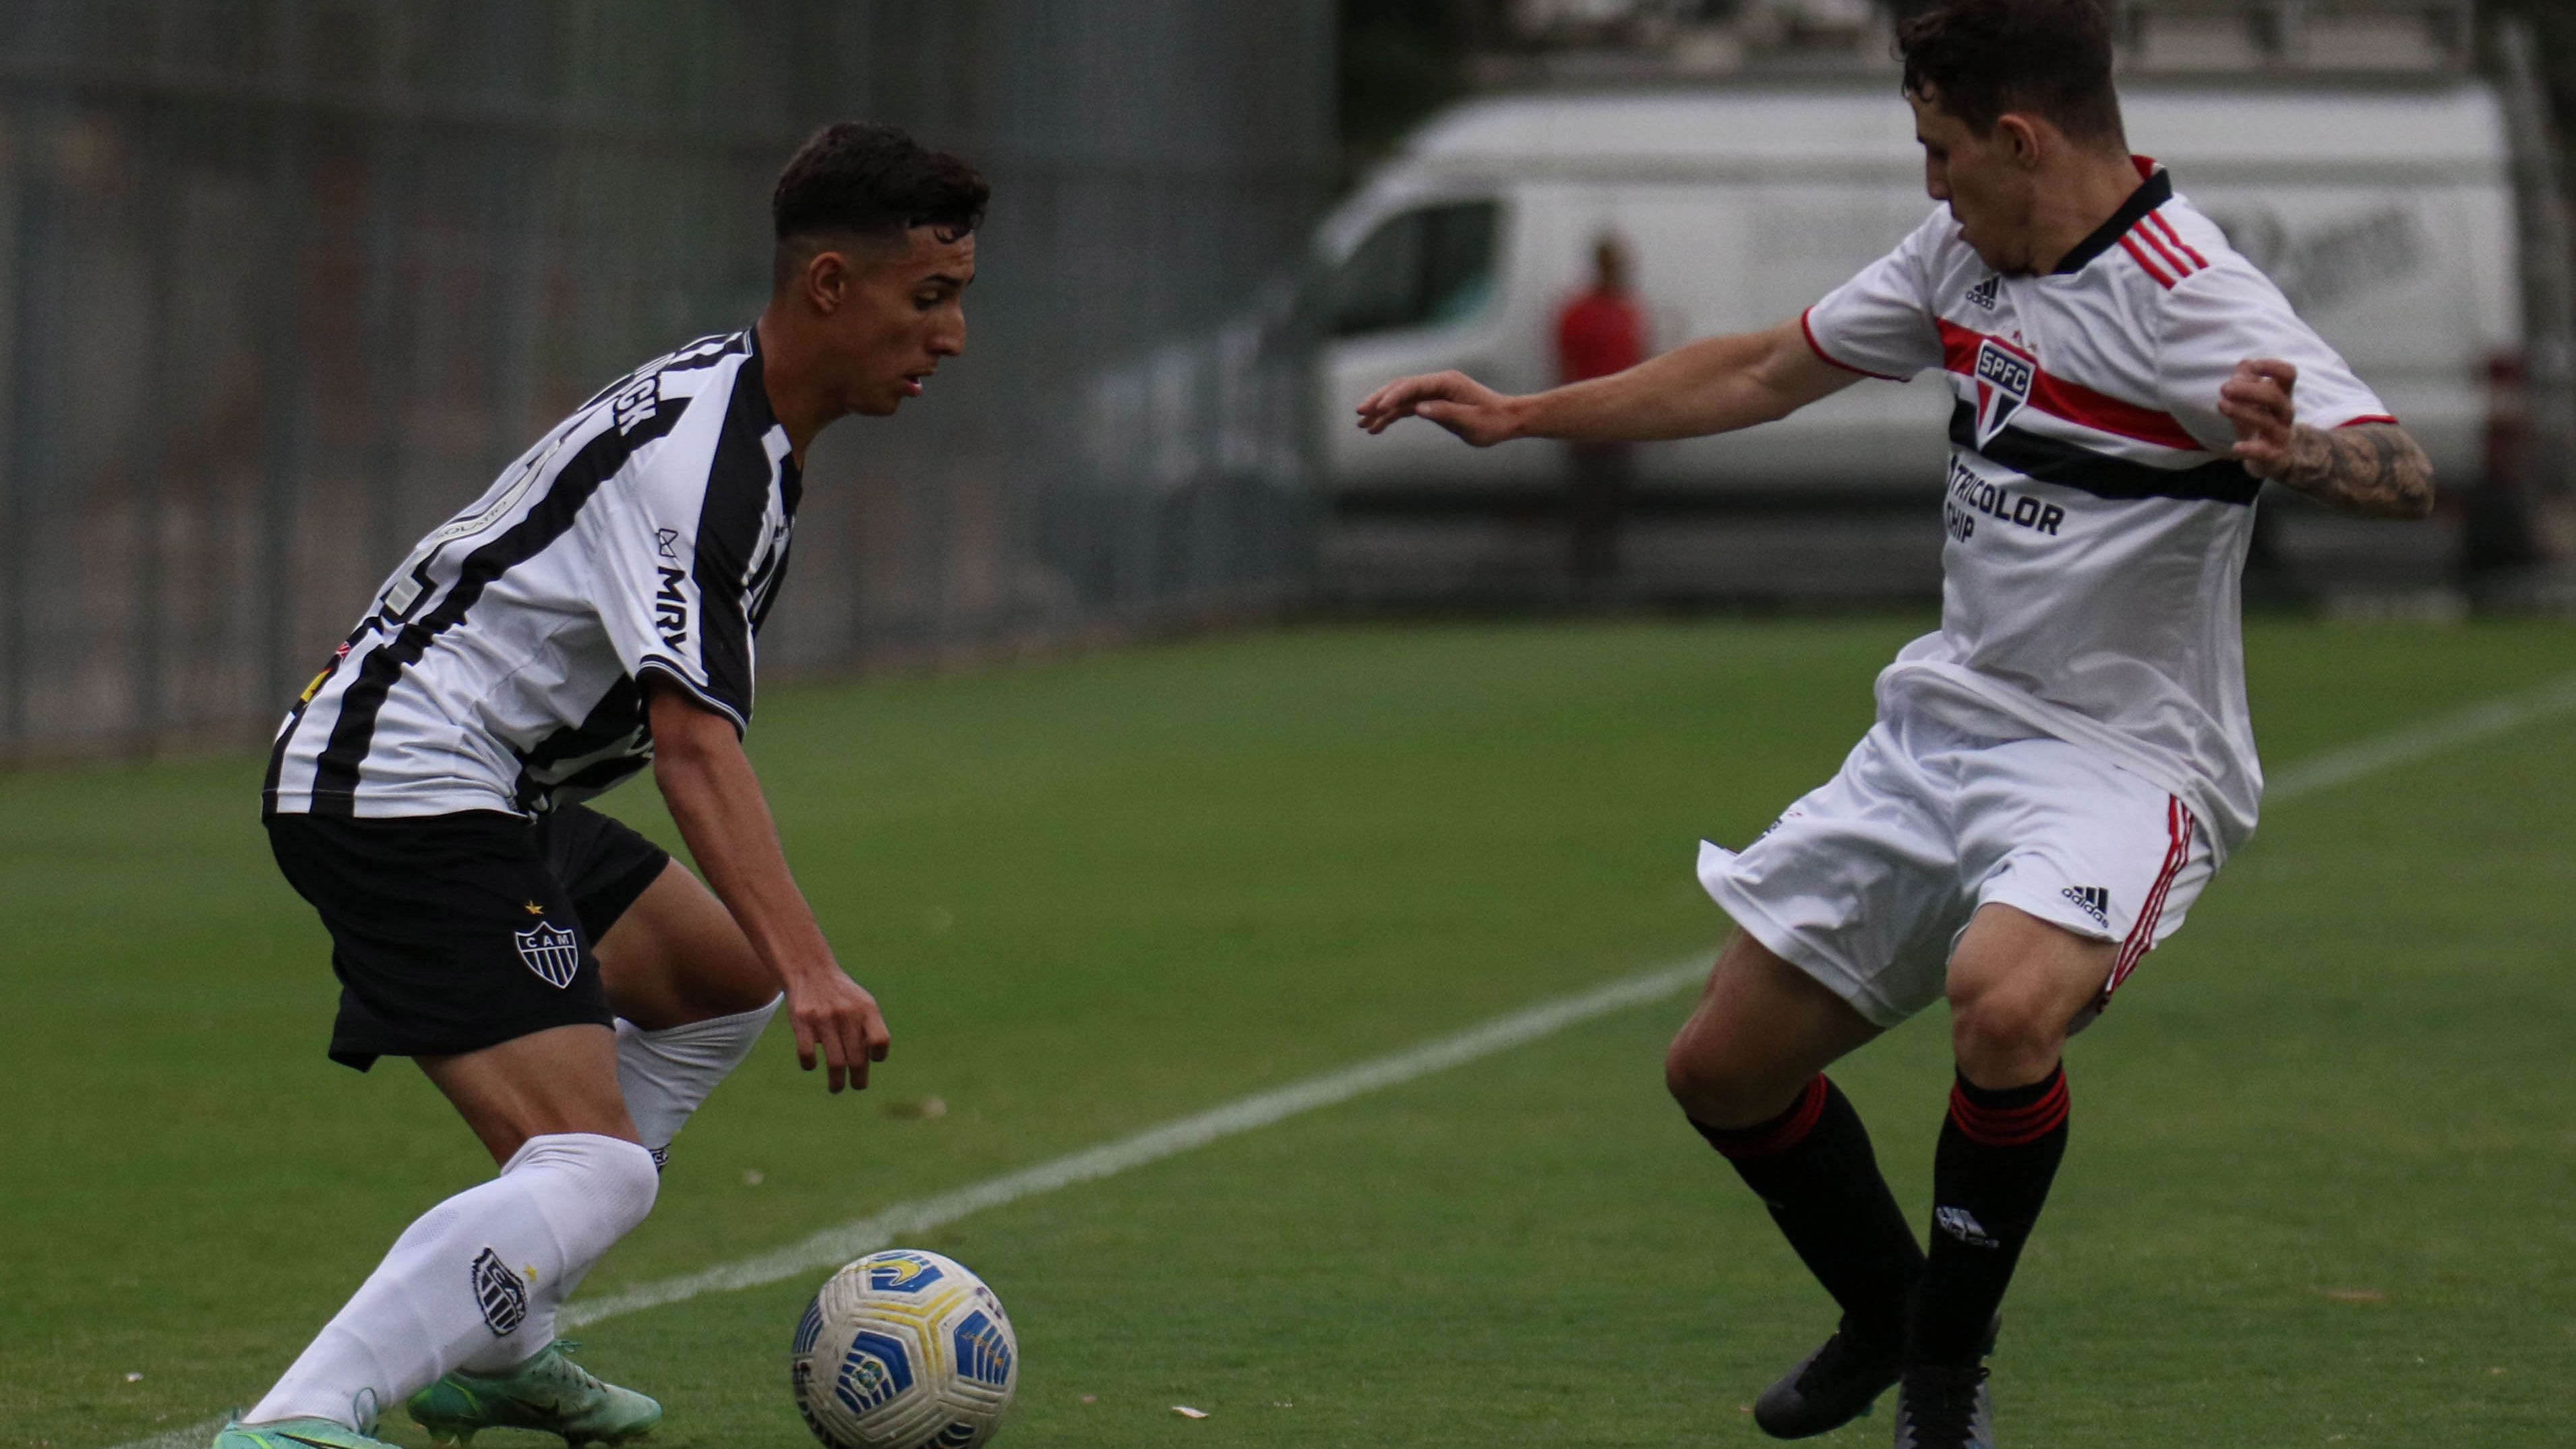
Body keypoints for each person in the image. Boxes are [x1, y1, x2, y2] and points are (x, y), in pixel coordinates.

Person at [1355, 2, 2432, 1444]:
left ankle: (1941, 1376)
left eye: (1938, 151)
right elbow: (1757, 368)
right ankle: (1882, 1311)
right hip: (1942, 723)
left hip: (2122, 758)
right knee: (1719, 1069)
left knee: (2002, 999)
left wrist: (2297, 451)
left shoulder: (2187, 296)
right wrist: (1521, 415)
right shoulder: (1957, 261)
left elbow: (2398, 464)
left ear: (2019, 137)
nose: (1927, 183)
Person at [224, 122, 985, 1449]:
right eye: (930, 296)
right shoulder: (709, 463)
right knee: (596, 1166)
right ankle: (298, 1420)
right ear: (826, 285)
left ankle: (501, 1334)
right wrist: (817, 963)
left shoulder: (737, 417)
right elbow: (691, 746)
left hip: (469, 778)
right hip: (399, 779)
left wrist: (775, 960)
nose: (952, 335)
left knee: (715, 979)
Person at [1553, 234, 1651, 591]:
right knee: (1588, 503)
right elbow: (1566, 368)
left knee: (1615, 502)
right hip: (1589, 428)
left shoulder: (1627, 310)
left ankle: (1607, 575)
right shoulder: (1578, 313)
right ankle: (1584, 580)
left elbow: (1640, 364)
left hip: (1622, 427)